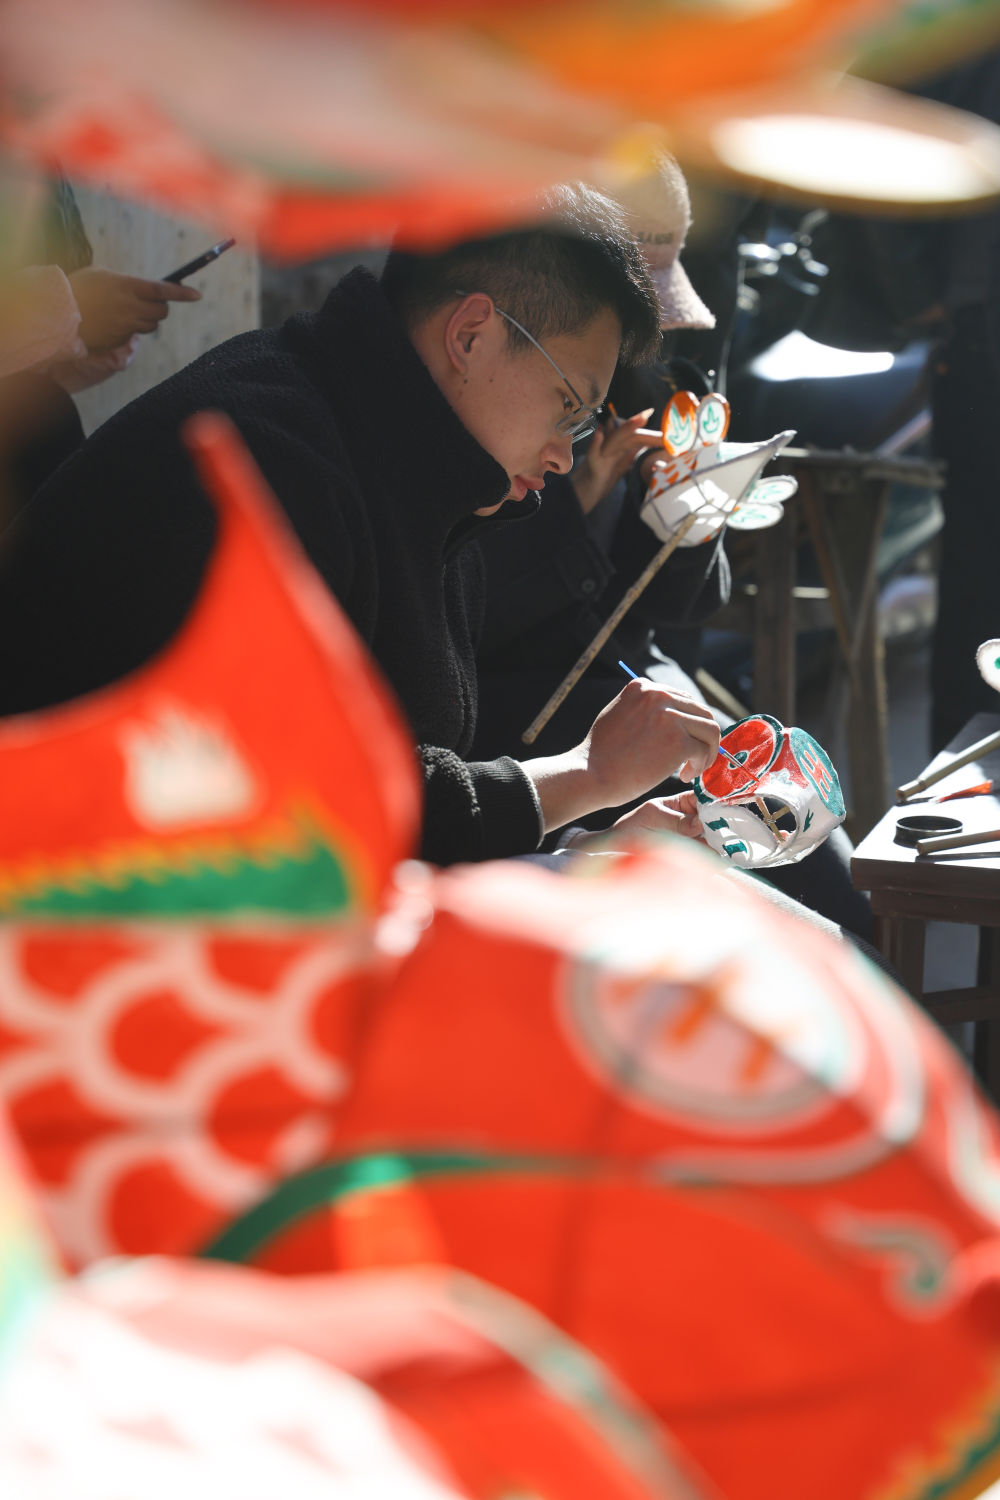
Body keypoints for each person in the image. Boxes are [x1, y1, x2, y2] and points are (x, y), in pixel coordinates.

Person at [0, 182, 725, 866]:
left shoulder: (419, 463)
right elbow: (306, 809)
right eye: (569, 406)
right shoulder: (260, 462)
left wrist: (577, 852)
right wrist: (584, 777)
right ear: (471, 335)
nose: (566, 454)